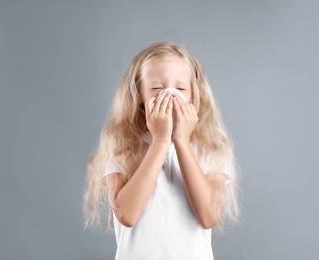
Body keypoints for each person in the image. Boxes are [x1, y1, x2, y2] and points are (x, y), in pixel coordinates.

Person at [83, 40, 240, 260]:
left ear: (193, 95)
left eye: (180, 88)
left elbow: (209, 216)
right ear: (139, 95)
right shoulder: (121, 146)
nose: (170, 96)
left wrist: (181, 142)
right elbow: (126, 215)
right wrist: (160, 141)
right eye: (157, 89)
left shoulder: (210, 148)